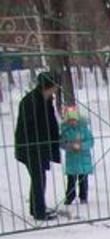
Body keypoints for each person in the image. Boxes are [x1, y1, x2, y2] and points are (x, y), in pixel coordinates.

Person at [14, 71, 61, 221]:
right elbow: (30, 126)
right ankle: (39, 212)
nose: (56, 90)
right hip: (31, 147)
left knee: (39, 177)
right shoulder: (32, 102)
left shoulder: (44, 100)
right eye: (55, 87)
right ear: (47, 86)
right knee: (38, 178)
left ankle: (37, 208)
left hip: (40, 147)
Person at [60, 104, 93, 207]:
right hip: (72, 159)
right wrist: (69, 146)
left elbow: (90, 141)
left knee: (83, 179)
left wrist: (82, 146)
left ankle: (83, 196)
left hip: (84, 159)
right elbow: (62, 143)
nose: (73, 122)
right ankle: (70, 197)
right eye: (70, 120)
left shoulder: (84, 130)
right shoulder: (66, 131)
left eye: (74, 120)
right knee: (71, 180)